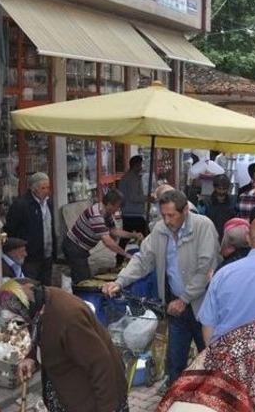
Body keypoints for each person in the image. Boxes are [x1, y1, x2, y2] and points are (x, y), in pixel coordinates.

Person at [104, 190, 220, 385]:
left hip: (203, 306)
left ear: (185, 211)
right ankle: (175, 399)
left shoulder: (203, 226)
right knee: (175, 362)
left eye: (171, 215)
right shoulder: (160, 230)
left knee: (209, 360)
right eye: (163, 215)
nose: (166, 220)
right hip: (175, 305)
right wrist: (119, 281)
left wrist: (185, 298)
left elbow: (206, 268)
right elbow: (143, 260)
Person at [1, 280, 128, 412]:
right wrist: (31, 357)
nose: (18, 324)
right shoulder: (38, 303)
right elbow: (39, 333)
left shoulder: (69, 319)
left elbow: (101, 363)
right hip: (68, 390)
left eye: (18, 320)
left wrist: (107, 408)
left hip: (93, 397)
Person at [62, 190, 141, 284]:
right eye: (117, 206)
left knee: (83, 277)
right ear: (109, 204)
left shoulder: (107, 213)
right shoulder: (96, 215)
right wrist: (125, 254)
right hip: (74, 246)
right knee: (83, 281)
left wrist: (133, 235)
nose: (118, 209)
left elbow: (114, 231)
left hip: (81, 248)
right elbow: (107, 241)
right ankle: (77, 297)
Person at [3, 172, 56, 285]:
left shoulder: (49, 203)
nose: (47, 191)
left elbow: (51, 227)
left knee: (46, 289)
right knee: (30, 288)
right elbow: (11, 230)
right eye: (43, 188)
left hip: (47, 255)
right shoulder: (21, 205)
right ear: (34, 189)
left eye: (48, 187)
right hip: (29, 258)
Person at [118, 155, 150, 243]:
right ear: (136, 165)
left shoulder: (127, 176)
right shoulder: (132, 178)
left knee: (125, 237)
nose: (141, 167)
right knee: (147, 237)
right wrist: (147, 198)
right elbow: (133, 197)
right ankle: (148, 254)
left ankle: (120, 256)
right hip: (134, 213)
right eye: (140, 165)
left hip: (128, 212)